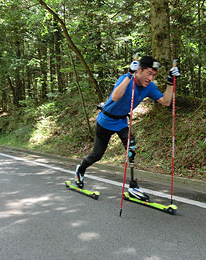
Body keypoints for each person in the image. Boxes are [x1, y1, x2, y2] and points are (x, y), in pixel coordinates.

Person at [75, 55, 180, 200]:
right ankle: (80, 169)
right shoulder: (126, 78)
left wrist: (170, 82)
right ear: (139, 70)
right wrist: (130, 74)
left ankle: (133, 187)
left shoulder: (149, 87)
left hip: (122, 122)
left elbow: (166, 101)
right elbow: (116, 97)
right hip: (105, 120)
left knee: (131, 148)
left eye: (154, 75)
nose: (150, 78)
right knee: (97, 155)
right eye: (148, 73)